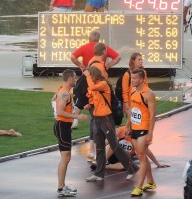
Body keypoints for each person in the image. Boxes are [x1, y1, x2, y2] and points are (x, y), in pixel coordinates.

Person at [70, 30, 120, 159]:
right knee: (100, 123)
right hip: (97, 93)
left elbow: (72, 56)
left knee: (93, 118)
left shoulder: (89, 55)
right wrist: (109, 65)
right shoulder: (102, 54)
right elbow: (118, 57)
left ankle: (95, 150)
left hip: (88, 84)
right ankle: (101, 151)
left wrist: (81, 65)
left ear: (89, 38)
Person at [84, 66, 138, 182]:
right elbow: (95, 100)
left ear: (93, 74)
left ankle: (131, 168)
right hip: (97, 118)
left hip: (106, 118)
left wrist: (88, 76)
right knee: (99, 147)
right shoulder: (96, 86)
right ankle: (99, 174)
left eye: (89, 76)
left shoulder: (103, 84)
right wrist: (89, 105)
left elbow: (93, 87)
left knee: (114, 145)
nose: (88, 78)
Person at [53, 69, 88, 197]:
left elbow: (54, 101)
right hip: (62, 126)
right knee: (66, 157)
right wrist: (77, 117)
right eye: (74, 78)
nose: (76, 80)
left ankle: (62, 186)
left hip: (64, 127)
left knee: (66, 157)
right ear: (69, 79)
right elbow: (60, 112)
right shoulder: (64, 94)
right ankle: (61, 188)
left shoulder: (64, 92)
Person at [125, 68, 157, 197]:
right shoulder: (133, 91)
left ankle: (139, 186)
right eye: (131, 78)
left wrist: (150, 133)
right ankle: (150, 182)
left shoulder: (149, 94)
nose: (132, 80)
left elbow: (153, 114)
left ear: (142, 79)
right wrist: (127, 125)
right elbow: (132, 111)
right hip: (134, 129)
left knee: (141, 157)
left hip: (144, 129)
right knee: (141, 156)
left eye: (134, 78)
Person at [104, 126, 169, 171]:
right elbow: (105, 142)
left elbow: (146, 150)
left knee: (127, 166)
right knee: (112, 144)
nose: (129, 131)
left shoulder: (137, 138)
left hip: (122, 157)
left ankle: (105, 166)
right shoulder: (120, 130)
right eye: (129, 128)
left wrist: (158, 164)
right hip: (111, 153)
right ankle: (100, 163)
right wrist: (116, 139)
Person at [84, 42, 109, 163]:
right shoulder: (98, 65)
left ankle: (93, 151)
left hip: (93, 99)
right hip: (97, 101)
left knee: (94, 125)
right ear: (104, 51)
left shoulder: (91, 61)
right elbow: (99, 84)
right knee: (99, 126)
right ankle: (97, 152)